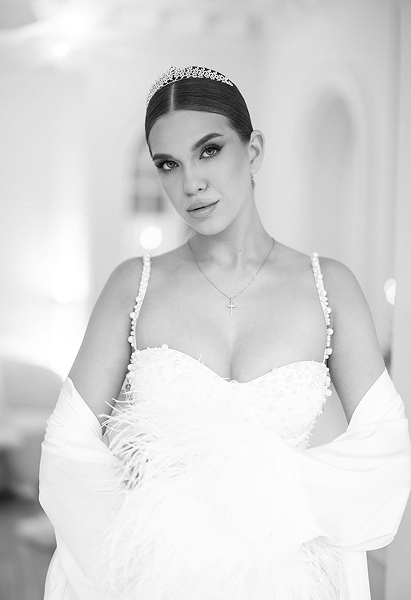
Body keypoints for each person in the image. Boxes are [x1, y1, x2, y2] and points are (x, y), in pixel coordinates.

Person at [39, 65, 411, 600]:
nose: (190, 183)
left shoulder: (328, 285)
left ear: (253, 151)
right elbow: (66, 447)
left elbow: (385, 444)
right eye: (168, 164)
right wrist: (144, 537)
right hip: (160, 578)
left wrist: (270, 488)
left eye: (209, 151)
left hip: (287, 579)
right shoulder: (134, 285)